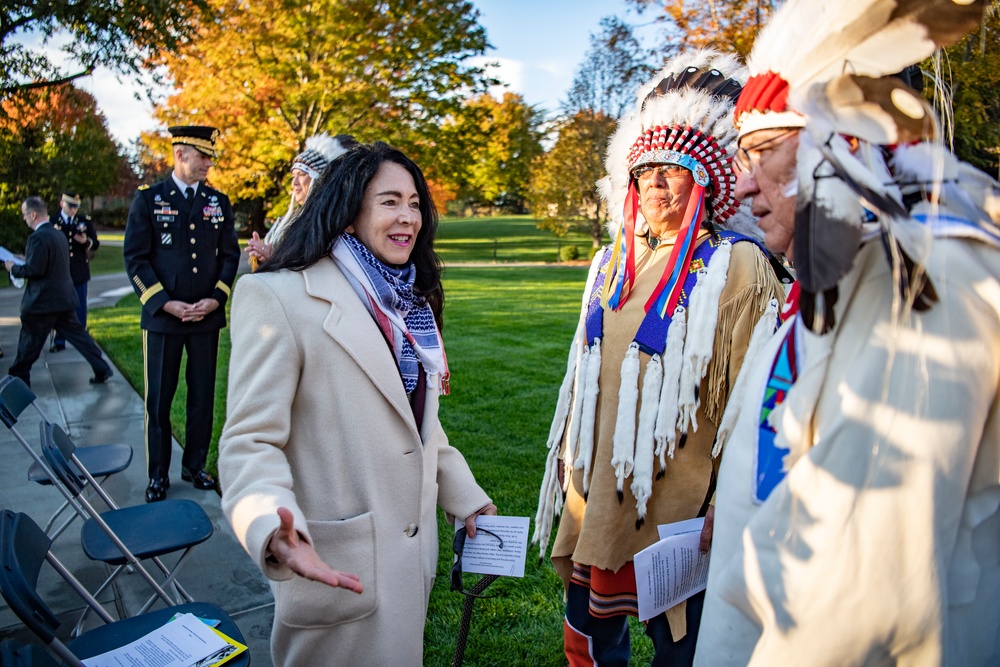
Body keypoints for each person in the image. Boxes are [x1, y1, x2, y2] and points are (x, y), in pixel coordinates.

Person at [694, 0, 1000, 664]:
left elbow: (858, 596)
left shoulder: (926, 281)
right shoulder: (824, 287)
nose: (742, 184)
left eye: (762, 153)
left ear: (844, 143)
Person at [532, 51, 787, 666]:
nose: (654, 183)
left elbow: (754, 398)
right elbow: (582, 381)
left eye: (673, 170)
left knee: (682, 648)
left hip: (681, 497)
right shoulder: (611, 262)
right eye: (644, 170)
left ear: (705, 181)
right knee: (593, 641)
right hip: (598, 488)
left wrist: (726, 502)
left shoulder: (739, 266)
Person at [218, 141, 497, 666]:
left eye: (415, 203)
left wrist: (465, 495)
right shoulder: (277, 298)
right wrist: (273, 529)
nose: (408, 217)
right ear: (349, 213)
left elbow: (416, 428)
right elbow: (248, 442)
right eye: (390, 201)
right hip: (337, 572)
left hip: (409, 568)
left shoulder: (409, 306)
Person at [123, 125, 240, 503]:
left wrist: (216, 299)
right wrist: (164, 303)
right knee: (158, 400)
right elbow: (136, 260)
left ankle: (194, 466)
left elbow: (230, 256)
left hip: (205, 317)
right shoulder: (149, 199)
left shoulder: (218, 202)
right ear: (180, 155)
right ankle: (158, 475)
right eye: (203, 156)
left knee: (202, 397)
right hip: (162, 317)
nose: (209, 163)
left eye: (211, 157)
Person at [5, 196, 113, 387]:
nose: (24, 219)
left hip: (43, 303)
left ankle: (18, 381)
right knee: (80, 337)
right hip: (63, 299)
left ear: (33, 214)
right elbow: (48, 262)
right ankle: (102, 367)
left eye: (24, 215)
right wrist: (24, 258)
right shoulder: (58, 234)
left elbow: (34, 270)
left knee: (29, 344)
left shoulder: (37, 237)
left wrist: (12, 267)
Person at [246, 133, 355, 269]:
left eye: (302, 175)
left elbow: (315, 265)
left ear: (320, 180)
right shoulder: (292, 219)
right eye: (293, 176)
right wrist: (263, 259)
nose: (295, 183)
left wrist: (273, 255)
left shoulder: (330, 221)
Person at [50, 191, 99, 352]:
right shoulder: (53, 222)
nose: (73, 210)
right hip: (60, 272)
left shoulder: (83, 222)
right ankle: (59, 340)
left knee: (80, 308)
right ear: (62, 203)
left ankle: (81, 340)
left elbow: (95, 242)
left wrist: (87, 242)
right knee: (60, 307)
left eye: (76, 207)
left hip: (79, 271)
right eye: (70, 206)